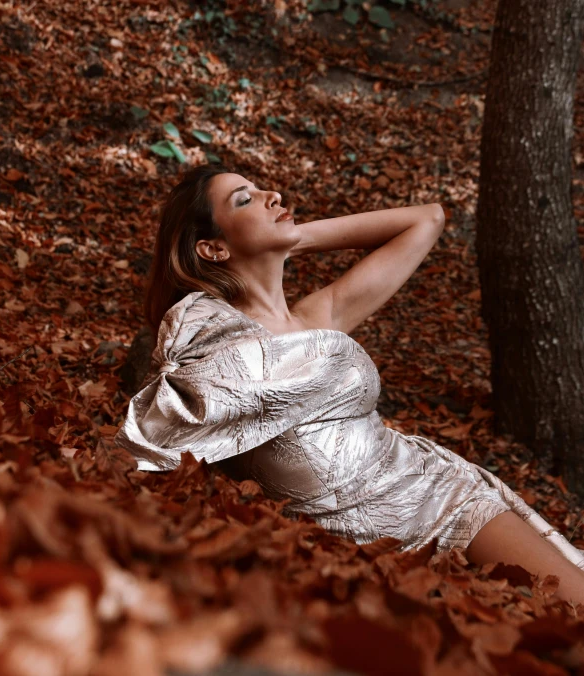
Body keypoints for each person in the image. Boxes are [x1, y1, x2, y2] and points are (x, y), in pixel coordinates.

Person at [114, 163, 584, 607]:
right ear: (213, 248)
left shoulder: (320, 314)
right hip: (362, 538)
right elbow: (163, 427)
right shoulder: (209, 329)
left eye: (263, 191)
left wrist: (293, 238)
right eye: (244, 200)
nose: (271, 195)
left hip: (442, 496)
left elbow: (428, 219)